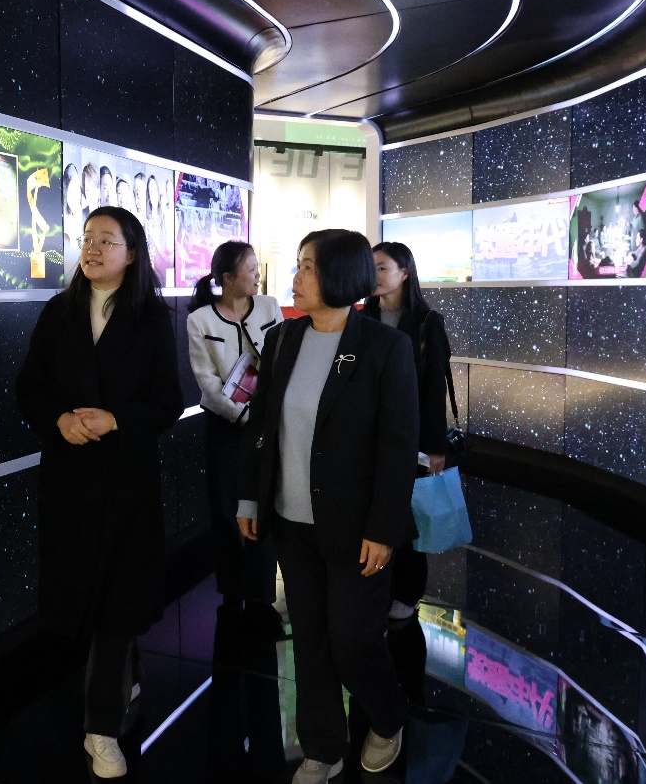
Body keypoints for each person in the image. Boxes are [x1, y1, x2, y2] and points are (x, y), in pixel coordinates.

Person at [237, 229, 419, 782]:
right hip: (291, 522)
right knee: (310, 639)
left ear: (340, 275)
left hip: (357, 527)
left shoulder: (385, 347)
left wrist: (384, 528)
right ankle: (322, 746)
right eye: (299, 265)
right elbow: (262, 425)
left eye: (308, 267)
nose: (295, 278)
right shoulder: (282, 339)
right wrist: (250, 496)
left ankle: (387, 717)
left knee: (354, 640)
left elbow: (397, 446)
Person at [16, 206, 184, 779]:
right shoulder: (59, 312)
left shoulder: (152, 318)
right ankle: (121, 678)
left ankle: (101, 728)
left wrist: (116, 420)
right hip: (69, 479)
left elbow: (168, 401)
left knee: (118, 599)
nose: (92, 248)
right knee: (84, 595)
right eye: (88, 238)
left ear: (131, 254)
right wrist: (58, 419)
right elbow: (29, 388)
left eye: (106, 241)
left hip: (126, 480)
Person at [186, 241, 283, 626]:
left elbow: (281, 359)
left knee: (264, 502)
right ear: (227, 277)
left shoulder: (269, 306)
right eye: (251, 268)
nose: (258, 275)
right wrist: (243, 416)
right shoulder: (200, 320)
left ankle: (260, 593)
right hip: (226, 425)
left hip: (269, 420)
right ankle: (231, 588)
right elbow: (207, 381)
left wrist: (267, 416)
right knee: (226, 507)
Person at [360, 241, 452, 621]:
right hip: (370, 437)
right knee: (375, 513)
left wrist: (435, 447)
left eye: (382, 267)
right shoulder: (364, 316)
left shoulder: (427, 321)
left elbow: (434, 389)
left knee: (412, 518)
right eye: (371, 267)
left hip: (411, 437)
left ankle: (408, 594)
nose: (375, 275)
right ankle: (377, 588)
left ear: (405, 273)